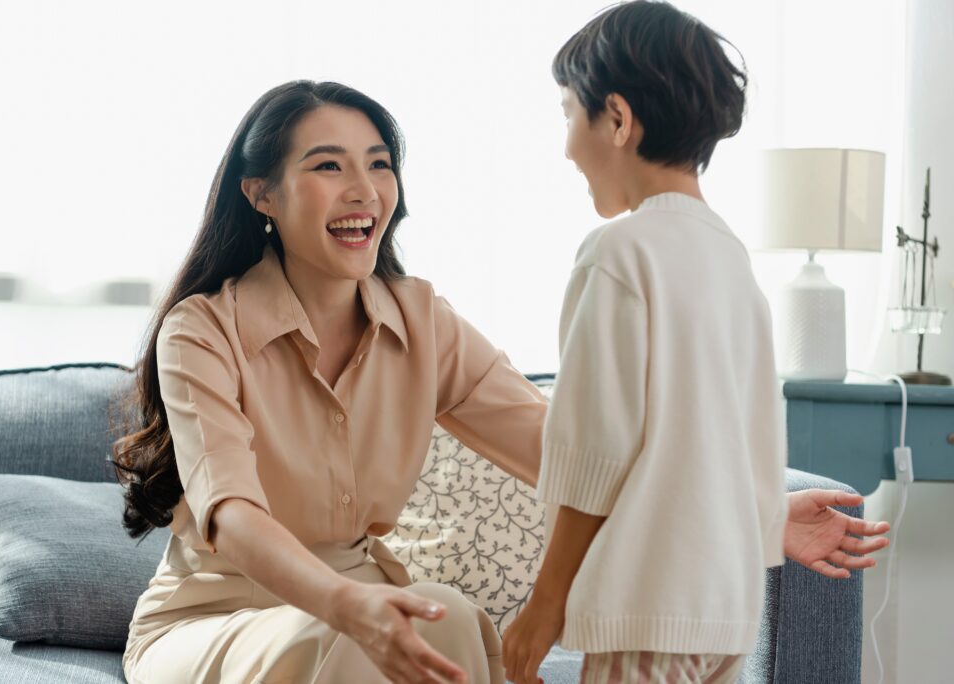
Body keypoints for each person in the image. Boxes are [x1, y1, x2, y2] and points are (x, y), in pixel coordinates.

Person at [113, 79, 889, 684]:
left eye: (379, 164)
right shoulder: (203, 331)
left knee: (441, 616)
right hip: (219, 619)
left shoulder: (423, 323)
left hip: (369, 609)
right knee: (360, 639)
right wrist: (351, 606)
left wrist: (755, 513)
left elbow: (570, 451)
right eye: (328, 166)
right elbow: (234, 518)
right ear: (261, 195)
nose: (364, 190)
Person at [500, 3, 890, 684]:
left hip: (645, 607)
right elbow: (752, 447)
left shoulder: (618, 254)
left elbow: (594, 453)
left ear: (617, 119)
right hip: (725, 614)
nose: (566, 146)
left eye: (569, 114)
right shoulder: (731, 260)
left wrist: (544, 607)